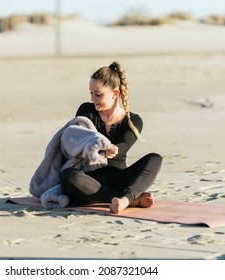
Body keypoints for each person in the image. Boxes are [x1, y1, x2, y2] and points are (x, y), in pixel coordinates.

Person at [60, 61, 162, 214]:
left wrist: (113, 149)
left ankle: (125, 198)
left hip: (118, 178)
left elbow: (124, 146)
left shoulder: (133, 121)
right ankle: (129, 199)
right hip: (87, 182)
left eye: (98, 94)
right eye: (91, 93)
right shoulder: (86, 111)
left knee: (155, 158)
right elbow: (76, 139)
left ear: (115, 94)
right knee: (67, 175)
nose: (93, 98)